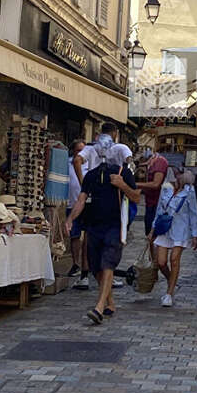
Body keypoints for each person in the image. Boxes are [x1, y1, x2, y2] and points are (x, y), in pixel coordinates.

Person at [66, 134, 139, 325]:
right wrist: (71, 218)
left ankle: (99, 307)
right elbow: (81, 199)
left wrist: (122, 185)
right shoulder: (91, 175)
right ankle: (110, 302)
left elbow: (136, 197)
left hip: (115, 225)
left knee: (108, 264)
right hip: (94, 225)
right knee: (96, 267)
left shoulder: (123, 172)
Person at [70, 123, 116, 290]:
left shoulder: (92, 148)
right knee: (108, 236)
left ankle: (86, 275)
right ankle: (105, 274)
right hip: (107, 194)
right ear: (114, 134)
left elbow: (77, 160)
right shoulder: (114, 148)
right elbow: (77, 160)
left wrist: (85, 184)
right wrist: (84, 183)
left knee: (90, 236)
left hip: (93, 195)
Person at [150, 169, 197, 307]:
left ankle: (169, 293)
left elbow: (194, 213)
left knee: (174, 260)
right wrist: (153, 229)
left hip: (181, 229)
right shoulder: (166, 188)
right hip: (165, 229)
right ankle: (171, 280)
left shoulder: (189, 191)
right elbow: (159, 209)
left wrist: (195, 234)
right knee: (161, 262)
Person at [136, 148, 169, 240]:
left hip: (157, 203)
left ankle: (153, 248)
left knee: (153, 233)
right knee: (149, 231)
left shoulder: (159, 162)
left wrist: (135, 184)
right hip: (150, 201)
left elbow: (156, 184)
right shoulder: (151, 162)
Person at [66, 139, 86, 278]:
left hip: (87, 205)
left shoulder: (90, 164)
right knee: (74, 236)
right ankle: (76, 264)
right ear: (73, 151)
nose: (81, 153)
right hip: (72, 204)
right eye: (78, 150)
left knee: (88, 236)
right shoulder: (67, 163)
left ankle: (87, 264)